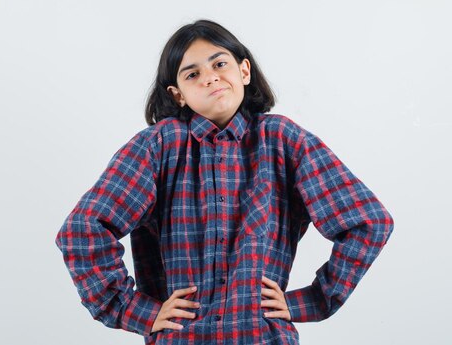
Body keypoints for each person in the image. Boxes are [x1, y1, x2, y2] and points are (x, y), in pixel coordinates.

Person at [55, 19, 394, 345]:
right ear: (178, 95)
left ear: (244, 71)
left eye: (220, 64)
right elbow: (83, 230)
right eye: (193, 74)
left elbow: (368, 222)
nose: (210, 78)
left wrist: (313, 300)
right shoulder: (158, 146)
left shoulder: (282, 139)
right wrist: (136, 310)